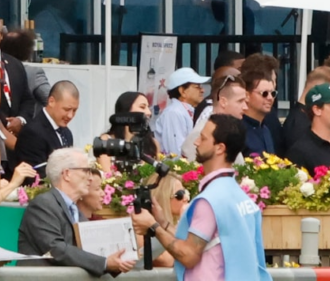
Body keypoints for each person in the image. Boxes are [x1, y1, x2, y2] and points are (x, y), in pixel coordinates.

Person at [148, 114, 266, 281]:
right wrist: (164, 223)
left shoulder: (209, 200)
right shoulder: (240, 196)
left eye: (203, 138)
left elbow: (189, 255)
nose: (196, 142)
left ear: (219, 148)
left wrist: (153, 227)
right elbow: (208, 241)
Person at [21, 145, 147, 273]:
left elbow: (90, 250)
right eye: (86, 171)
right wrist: (105, 263)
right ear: (67, 174)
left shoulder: (75, 211)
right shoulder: (43, 205)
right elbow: (56, 250)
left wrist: (118, 259)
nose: (90, 177)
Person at [151, 66, 207, 157]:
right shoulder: (174, 113)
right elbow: (175, 153)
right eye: (197, 87)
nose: (202, 90)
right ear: (182, 91)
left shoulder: (183, 110)